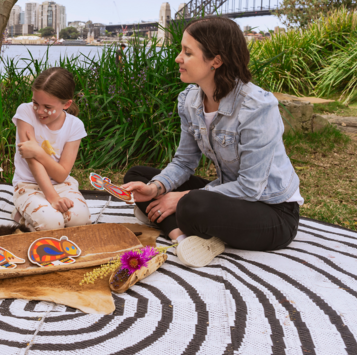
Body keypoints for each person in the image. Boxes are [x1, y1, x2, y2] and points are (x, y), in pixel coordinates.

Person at [123, 17, 302, 267]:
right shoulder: (190, 100)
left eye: (187, 52)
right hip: (228, 196)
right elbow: (184, 162)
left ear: (216, 61)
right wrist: (157, 189)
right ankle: (183, 239)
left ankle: (171, 220)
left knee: (191, 205)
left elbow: (251, 188)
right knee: (139, 177)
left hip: (273, 212)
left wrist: (181, 197)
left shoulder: (257, 107)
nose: (178, 58)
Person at [12, 67, 91, 231]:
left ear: (67, 104)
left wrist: (38, 151)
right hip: (28, 185)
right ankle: (21, 210)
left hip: (62, 185)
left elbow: (61, 175)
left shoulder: (75, 126)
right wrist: (52, 197)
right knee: (51, 224)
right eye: (35, 103)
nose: (39, 111)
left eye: (47, 106)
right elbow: (31, 161)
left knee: (79, 221)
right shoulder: (25, 112)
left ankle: (30, 214)